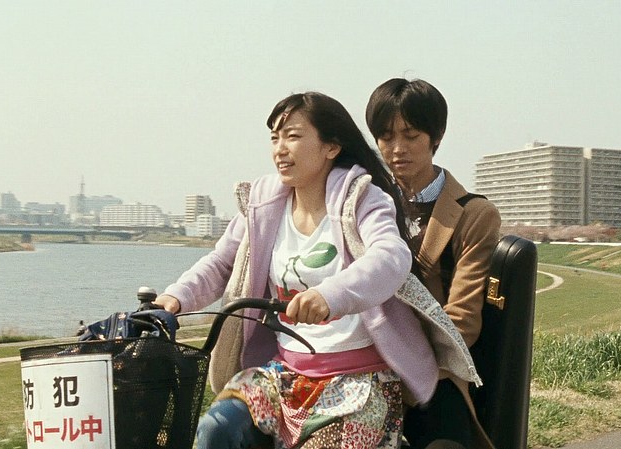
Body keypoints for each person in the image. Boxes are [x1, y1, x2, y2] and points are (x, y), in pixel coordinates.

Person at [149, 92, 440, 449]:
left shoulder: (361, 198)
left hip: (358, 382)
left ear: (331, 146)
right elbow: (223, 262)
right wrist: (175, 298)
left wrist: (330, 295)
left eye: (293, 136)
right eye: (275, 138)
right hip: (283, 374)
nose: (280, 149)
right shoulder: (263, 204)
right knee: (217, 429)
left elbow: (390, 256)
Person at [366, 78, 502, 449]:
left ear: (436, 136)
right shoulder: (364, 202)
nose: (397, 149)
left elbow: (462, 322)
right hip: (362, 364)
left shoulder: (474, 214)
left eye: (410, 135)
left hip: (434, 370)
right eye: (386, 137)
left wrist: (402, 360)